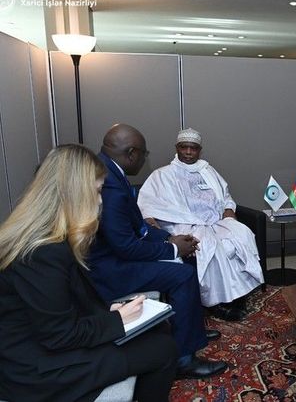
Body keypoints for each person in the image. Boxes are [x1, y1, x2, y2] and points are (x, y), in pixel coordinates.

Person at [0, 144, 177, 402]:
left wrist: (110, 312)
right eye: (97, 191)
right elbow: (58, 335)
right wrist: (117, 320)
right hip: (35, 368)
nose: (101, 200)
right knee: (163, 349)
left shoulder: (47, 236)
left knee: (159, 328)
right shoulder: (42, 252)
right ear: (75, 194)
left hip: (42, 345)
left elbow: (60, 304)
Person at [88, 123, 227, 379]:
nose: (145, 159)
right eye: (144, 153)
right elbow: (126, 246)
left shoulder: (109, 170)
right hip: (108, 269)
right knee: (183, 274)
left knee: (187, 261)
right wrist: (172, 248)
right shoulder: (110, 187)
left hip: (115, 256)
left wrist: (170, 238)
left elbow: (139, 227)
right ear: (132, 153)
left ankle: (190, 330)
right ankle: (183, 360)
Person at [137, 128, 264, 321]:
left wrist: (229, 216)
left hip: (216, 222)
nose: (188, 152)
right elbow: (146, 208)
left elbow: (226, 198)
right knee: (209, 247)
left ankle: (237, 294)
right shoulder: (161, 175)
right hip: (183, 226)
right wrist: (158, 231)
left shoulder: (208, 171)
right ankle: (216, 303)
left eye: (193, 148)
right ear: (177, 148)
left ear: (199, 150)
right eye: (184, 147)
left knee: (240, 235)